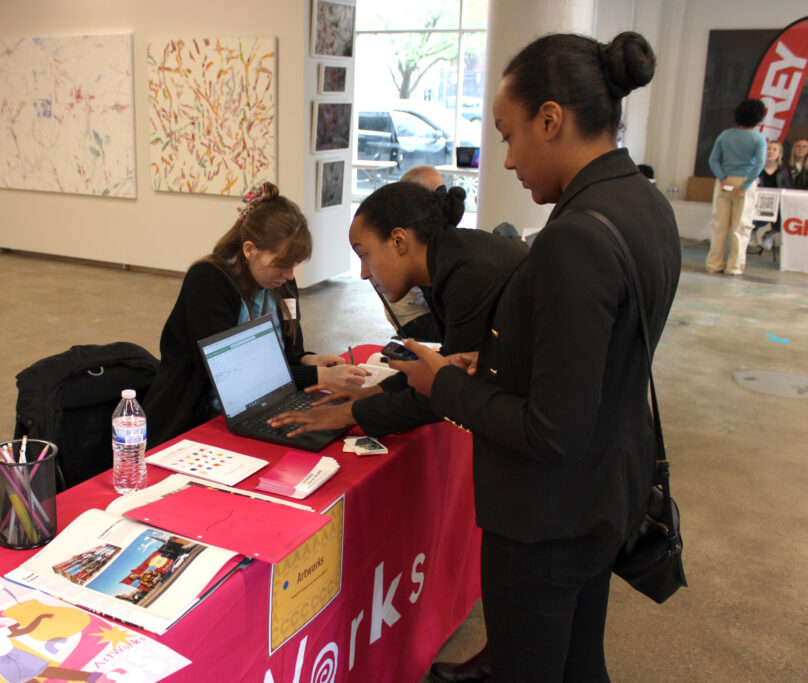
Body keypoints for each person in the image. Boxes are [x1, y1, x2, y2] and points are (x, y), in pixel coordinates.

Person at [388, 31, 680, 681]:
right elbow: (597, 361)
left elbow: (552, 430)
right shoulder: (645, 204)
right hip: (604, 491)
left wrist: (444, 384)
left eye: (509, 134)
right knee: (579, 664)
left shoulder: (574, 237)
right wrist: (495, 369)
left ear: (551, 119)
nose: (510, 159)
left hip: (546, 517)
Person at [266, 181, 527, 440]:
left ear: (399, 241)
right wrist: (373, 392)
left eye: (365, 256)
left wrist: (348, 414)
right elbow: (447, 365)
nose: (364, 273)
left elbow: (448, 388)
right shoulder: (444, 259)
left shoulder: (466, 275)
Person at [142, 182, 365, 448]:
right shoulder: (208, 281)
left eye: (294, 265)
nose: (289, 275)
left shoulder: (281, 283)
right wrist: (320, 378)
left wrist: (311, 360)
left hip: (265, 403)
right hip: (197, 413)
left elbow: (290, 352)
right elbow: (235, 379)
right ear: (249, 250)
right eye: (282, 264)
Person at [378, 165, 451, 343]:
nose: (443, 201)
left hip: (431, 311)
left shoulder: (424, 228)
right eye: (437, 194)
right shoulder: (404, 235)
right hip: (416, 319)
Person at [705, 99, 767, 276]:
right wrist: (746, 185)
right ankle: (734, 267)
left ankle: (714, 264)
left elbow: (713, 160)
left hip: (724, 183)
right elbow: (759, 164)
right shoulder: (758, 138)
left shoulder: (725, 135)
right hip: (745, 183)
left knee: (719, 225)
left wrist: (722, 179)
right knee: (741, 227)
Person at [750, 140, 790, 253]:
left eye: (774, 149)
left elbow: (787, 188)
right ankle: (752, 232)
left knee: (785, 214)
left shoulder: (784, 171)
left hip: (776, 204)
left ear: (780, 154)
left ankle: (770, 234)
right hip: (757, 203)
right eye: (768, 149)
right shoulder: (756, 168)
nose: (770, 152)